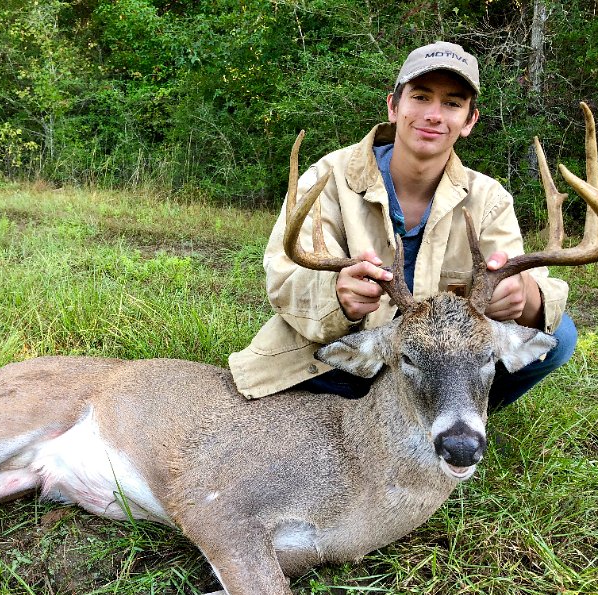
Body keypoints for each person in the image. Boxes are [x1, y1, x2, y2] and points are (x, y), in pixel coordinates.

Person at [228, 41, 577, 408]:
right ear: (393, 107)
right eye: (421, 97)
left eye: (452, 104)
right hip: (343, 361)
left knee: (561, 336)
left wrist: (527, 298)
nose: (434, 115)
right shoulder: (327, 178)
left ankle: (455, 415)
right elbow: (284, 279)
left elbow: (527, 287)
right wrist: (338, 297)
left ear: (469, 121)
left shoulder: (488, 199)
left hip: (439, 371)